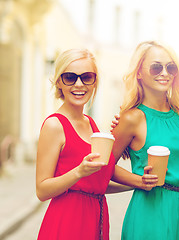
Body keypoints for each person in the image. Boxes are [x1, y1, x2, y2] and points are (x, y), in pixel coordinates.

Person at [109, 40, 179, 240]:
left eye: (171, 67)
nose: (165, 73)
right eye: (156, 67)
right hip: (150, 211)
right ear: (139, 72)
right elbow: (105, 166)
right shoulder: (132, 118)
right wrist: (139, 181)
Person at [36, 49, 115, 240]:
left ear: (95, 82)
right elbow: (42, 190)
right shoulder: (54, 124)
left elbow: (95, 183)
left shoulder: (90, 123)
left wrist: (140, 183)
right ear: (58, 82)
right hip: (67, 223)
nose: (79, 84)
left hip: (96, 217)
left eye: (87, 77)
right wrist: (78, 171)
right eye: (70, 77)